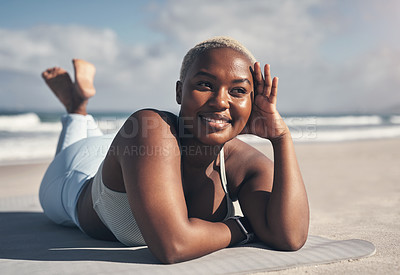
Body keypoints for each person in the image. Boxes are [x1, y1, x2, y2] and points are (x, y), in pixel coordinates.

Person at [39, 36, 309, 264]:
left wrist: (281, 138)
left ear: (252, 103)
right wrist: (241, 226)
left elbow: (289, 236)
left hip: (130, 154)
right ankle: (77, 110)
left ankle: (78, 103)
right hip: (73, 176)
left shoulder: (243, 163)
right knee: (74, 149)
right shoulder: (149, 126)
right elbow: (173, 246)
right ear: (180, 92)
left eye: (238, 91)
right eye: (204, 85)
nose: (220, 101)